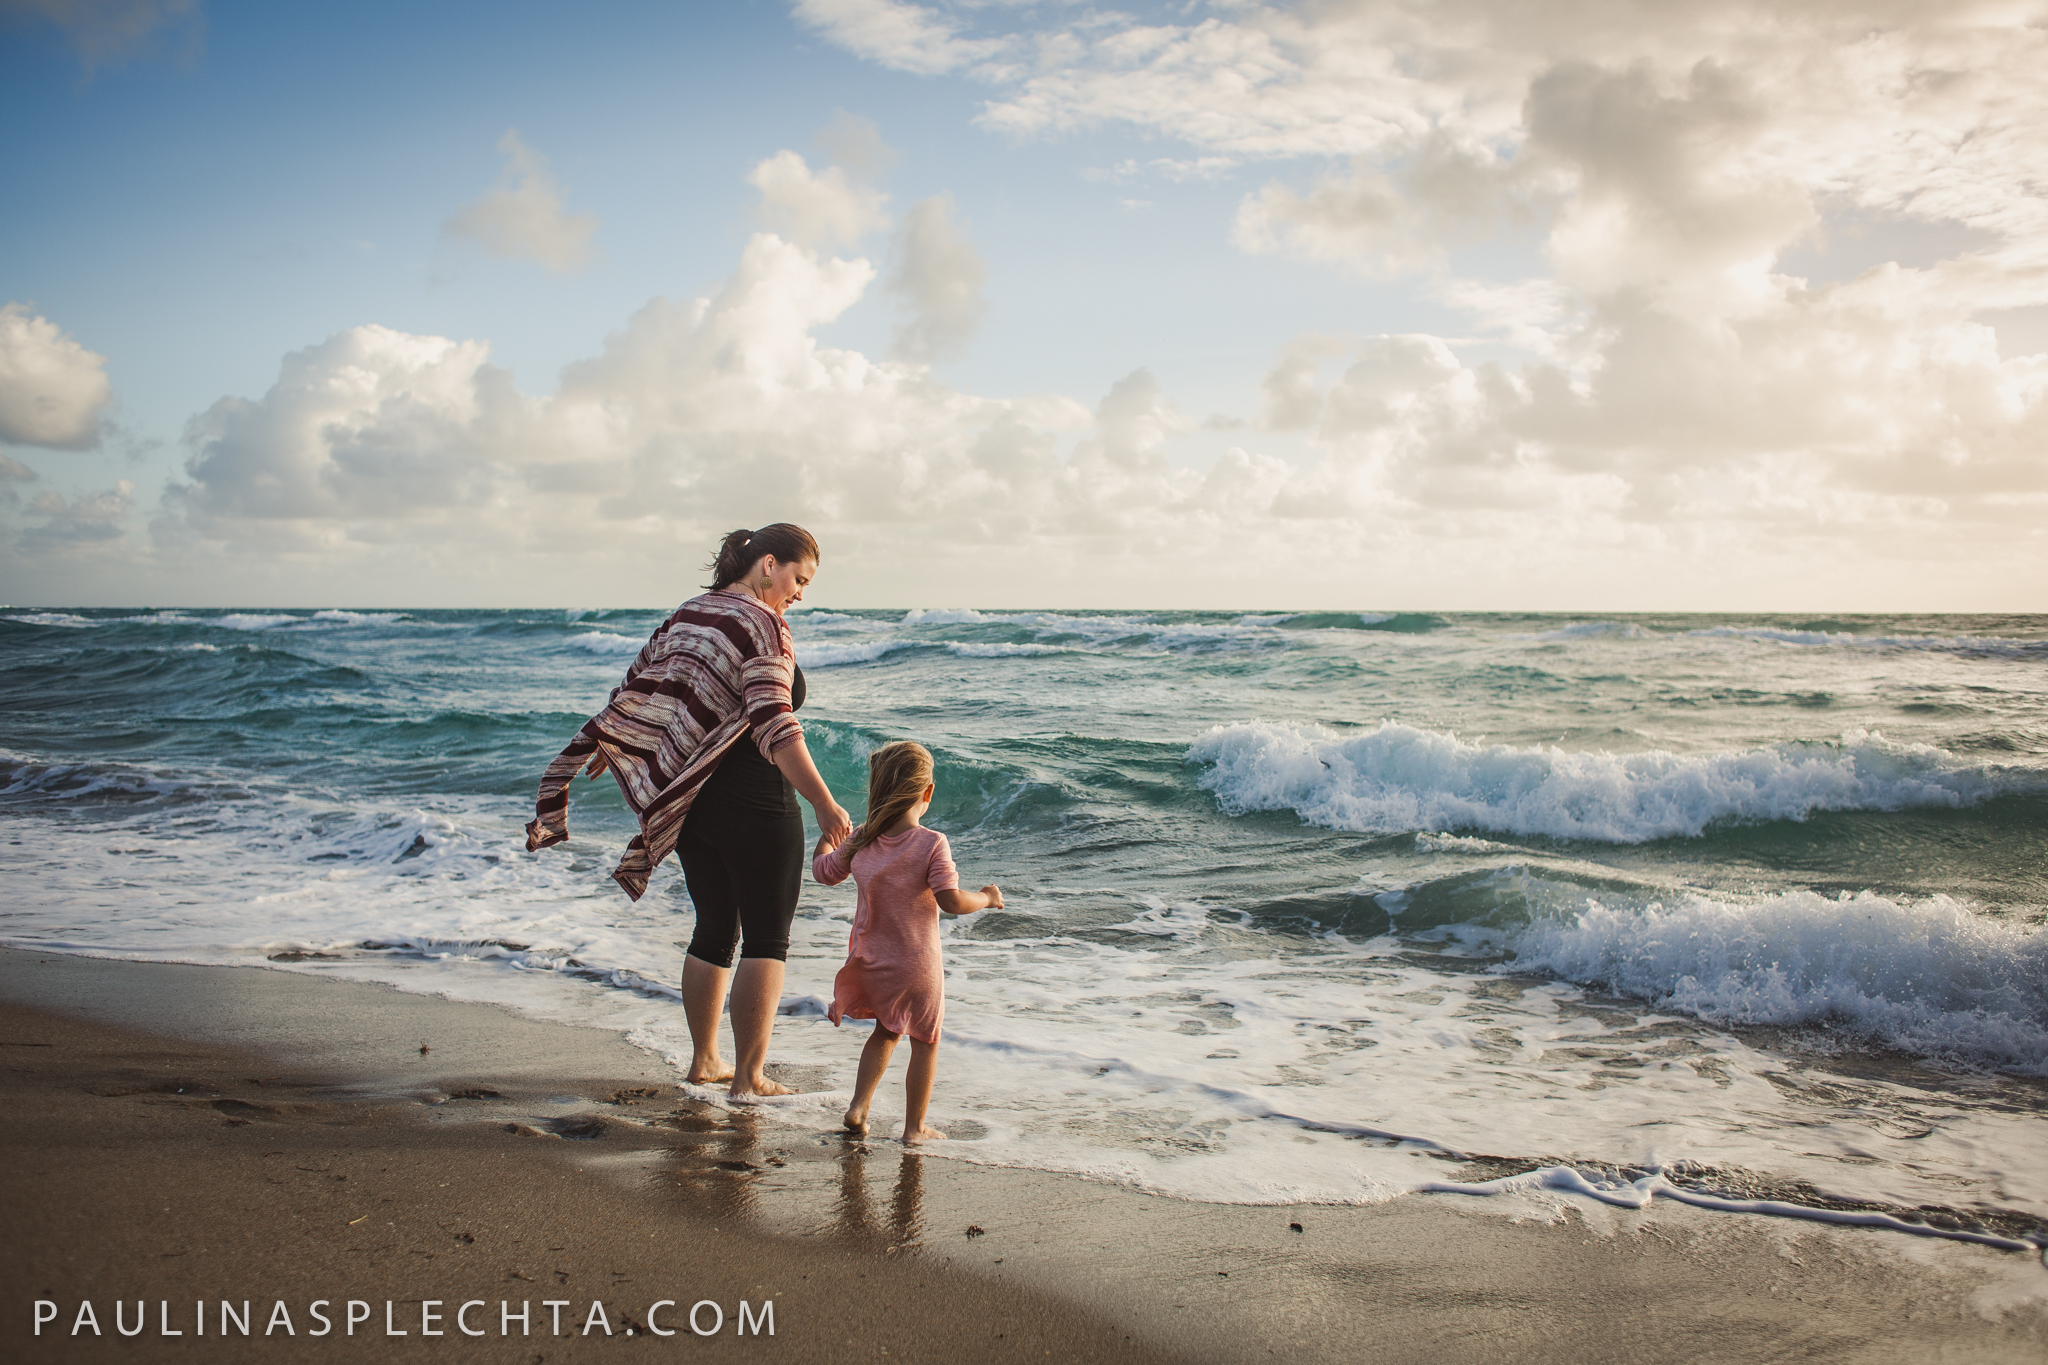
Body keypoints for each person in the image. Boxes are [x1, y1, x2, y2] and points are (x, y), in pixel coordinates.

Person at [526, 523, 852, 1099]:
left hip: (690, 802)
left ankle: (706, 1060)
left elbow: (641, 682)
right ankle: (748, 1077)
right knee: (767, 937)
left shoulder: (691, 611)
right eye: (798, 579)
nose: (800, 593)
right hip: (755, 799)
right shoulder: (763, 623)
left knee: (714, 926)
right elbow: (774, 721)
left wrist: (619, 738)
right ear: (768, 565)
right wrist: (824, 803)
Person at [811, 741, 1002, 1143]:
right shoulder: (932, 843)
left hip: (872, 963)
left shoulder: (861, 839)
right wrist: (986, 898)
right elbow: (950, 900)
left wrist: (827, 838)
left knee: (885, 1031)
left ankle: (858, 1106)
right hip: (917, 967)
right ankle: (914, 1128)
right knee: (925, 1040)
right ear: (927, 793)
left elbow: (824, 873)